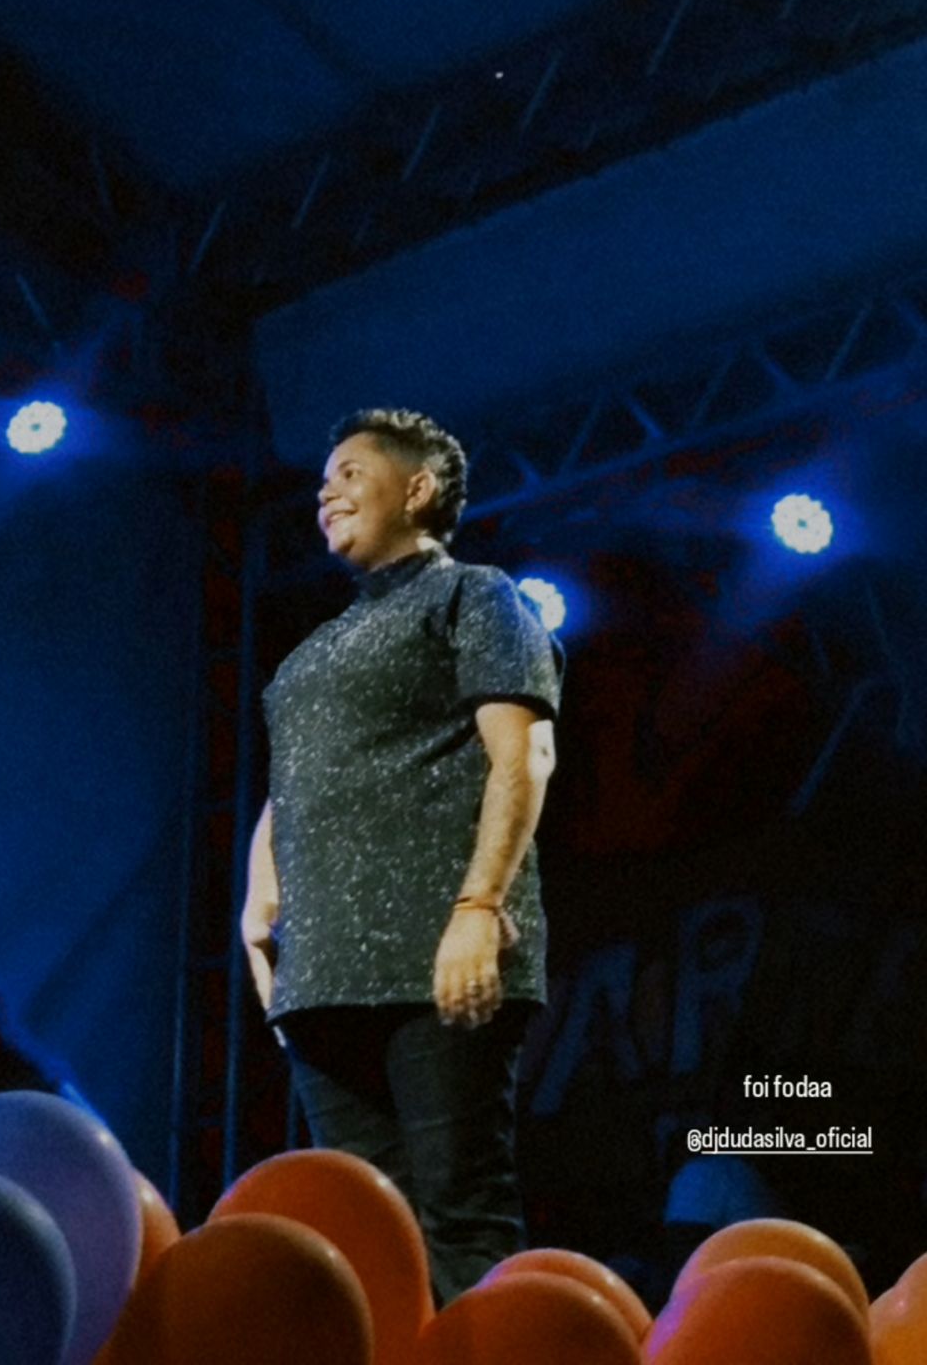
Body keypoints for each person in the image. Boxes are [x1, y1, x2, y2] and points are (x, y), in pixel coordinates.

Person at [241, 407, 563, 1303]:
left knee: (458, 1216)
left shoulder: (476, 596)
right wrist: (257, 904)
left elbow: (524, 754)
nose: (325, 492)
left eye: (350, 473)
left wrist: (478, 908)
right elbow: (297, 780)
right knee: (363, 1236)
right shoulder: (313, 650)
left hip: (436, 956)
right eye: (323, 480)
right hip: (324, 974)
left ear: (417, 489)